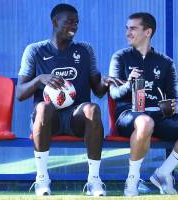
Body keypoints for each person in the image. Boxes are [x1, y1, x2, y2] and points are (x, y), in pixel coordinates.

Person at [16, 3, 120, 196]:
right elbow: (20, 93)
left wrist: (105, 81)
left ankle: (94, 181)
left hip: (76, 117)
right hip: (48, 120)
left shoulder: (85, 50)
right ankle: (42, 179)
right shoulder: (35, 51)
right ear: (55, 22)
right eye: (69, 22)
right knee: (43, 108)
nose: (74, 26)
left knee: (93, 109)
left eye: (77, 22)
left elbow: (97, 91)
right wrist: (40, 79)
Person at [109, 12, 178, 196]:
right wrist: (129, 84)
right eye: (127, 28)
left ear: (148, 32)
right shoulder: (120, 57)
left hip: (159, 117)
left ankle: (162, 173)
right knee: (145, 122)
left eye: (133, 28)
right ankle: (132, 181)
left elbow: (173, 98)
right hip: (129, 116)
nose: (128, 33)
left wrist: (171, 106)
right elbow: (114, 94)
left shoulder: (165, 62)